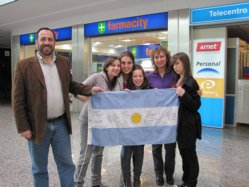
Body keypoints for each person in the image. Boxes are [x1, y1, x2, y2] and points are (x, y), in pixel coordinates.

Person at [12, 27, 103, 187]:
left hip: (61, 124)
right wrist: (23, 126)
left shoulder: (63, 62)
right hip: (37, 126)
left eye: (50, 39)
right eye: (43, 39)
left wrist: (90, 89)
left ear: (54, 42)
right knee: (39, 168)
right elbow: (17, 100)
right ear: (37, 42)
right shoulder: (24, 66)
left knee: (67, 165)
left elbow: (70, 85)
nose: (46, 42)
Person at [74, 56, 121, 187]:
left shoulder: (117, 83)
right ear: (106, 67)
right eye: (113, 65)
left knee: (98, 153)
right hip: (88, 120)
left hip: (103, 123)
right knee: (86, 154)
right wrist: (90, 100)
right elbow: (78, 90)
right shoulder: (97, 77)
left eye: (118, 66)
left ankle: (96, 182)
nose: (116, 68)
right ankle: (78, 183)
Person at [171, 52, 202, 187]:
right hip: (181, 124)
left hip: (189, 125)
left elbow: (196, 105)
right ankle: (185, 180)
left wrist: (184, 95)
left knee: (190, 155)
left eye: (177, 63)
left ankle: (191, 183)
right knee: (183, 154)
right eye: (174, 64)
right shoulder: (179, 80)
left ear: (185, 63)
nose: (175, 67)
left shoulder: (190, 81)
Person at [147, 46, 176, 186]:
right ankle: (159, 175)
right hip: (156, 118)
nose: (159, 60)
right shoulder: (149, 77)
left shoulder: (174, 74)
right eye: (156, 57)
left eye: (162, 56)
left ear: (167, 57)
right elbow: (142, 94)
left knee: (170, 148)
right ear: (153, 60)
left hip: (171, 118)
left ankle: (169, 175)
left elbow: (187, 85)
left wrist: (196, 91)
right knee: (156, 148)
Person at [121, 64, 149, 187]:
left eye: (140, 76)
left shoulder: (148, 90)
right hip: (127, 128)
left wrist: (156, 94)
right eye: (135, 76)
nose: (138, 78)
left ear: (143, 77)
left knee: (139, 153)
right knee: (126, 154)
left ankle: (137, 179)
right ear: (131, 78)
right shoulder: (126, 90)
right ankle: (127, 179)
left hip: (141, 129)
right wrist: (123, 95)